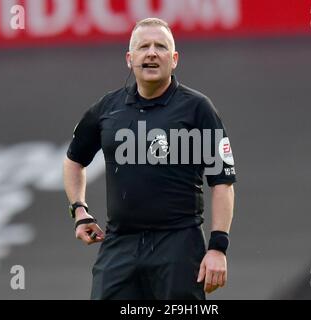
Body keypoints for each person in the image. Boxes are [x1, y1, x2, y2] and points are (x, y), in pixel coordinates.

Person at [63, 17, 236, 300]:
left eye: (161, 47)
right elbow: (74, 160)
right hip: (120, 244)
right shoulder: (108, 108)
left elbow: (222, 181)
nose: (152, 53)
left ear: (175, 58)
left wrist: (218, 247)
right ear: (129, 59)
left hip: (179, 245)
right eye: (143, 47)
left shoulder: (197, 109)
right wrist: (79, 211)